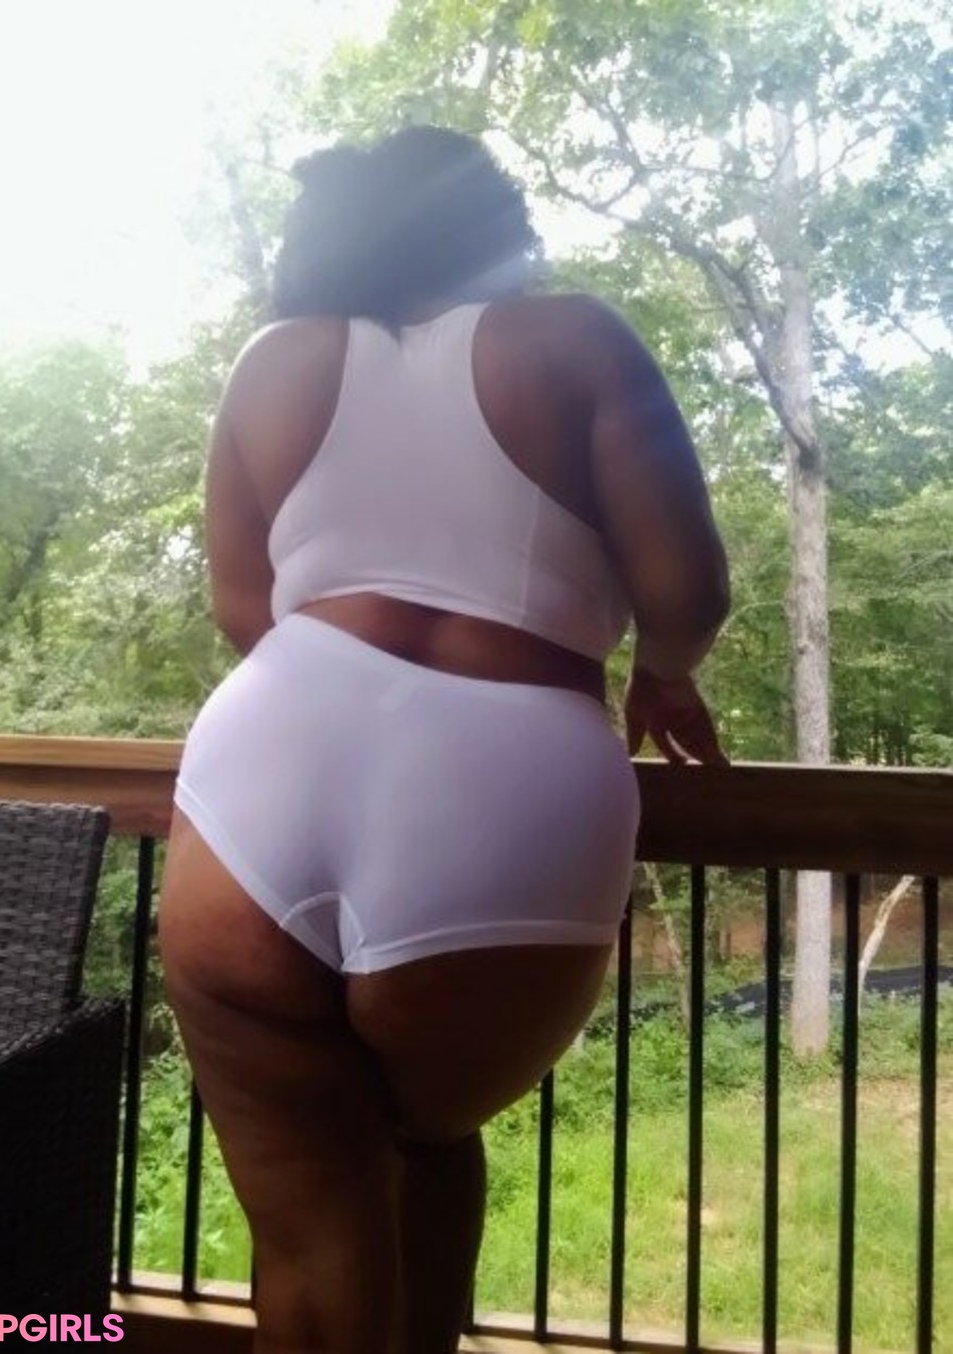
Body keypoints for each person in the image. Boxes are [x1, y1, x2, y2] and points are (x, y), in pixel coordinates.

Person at [158, 125, 729, 1354]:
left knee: (311, 1240)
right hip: (504, 780)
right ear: (491, 230)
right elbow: (687, 590)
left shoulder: (270, 364)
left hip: (264, 773)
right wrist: (663, 674)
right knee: (425, 1134)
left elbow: (243, 607)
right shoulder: (575, 340)